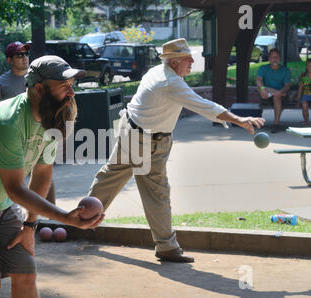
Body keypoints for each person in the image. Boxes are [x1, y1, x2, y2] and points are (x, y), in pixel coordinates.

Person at [0, 55, 105, 298]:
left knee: (25, 273)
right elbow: (15, 188)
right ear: (39, 89)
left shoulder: (51, 119)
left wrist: (30, 224)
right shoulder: (6, 122)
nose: (71, 92)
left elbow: (43, 171)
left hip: (0, 205)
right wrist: (65, 218)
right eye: (64, 85)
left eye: (72, 85)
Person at [88, 38, 265, 263]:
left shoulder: (158, 72)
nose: (192, 61)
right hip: (144, 139)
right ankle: (166, 246)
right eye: (187, 58)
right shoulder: (170, 82)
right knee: (155, 191)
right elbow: (204, 106)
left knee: (111, 177)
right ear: (173, 62)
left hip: (135, 131)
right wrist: (239, 119)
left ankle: (81, 219)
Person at [0, 41, 56, 205]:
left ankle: (52, 216)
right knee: (15, 183)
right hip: (14, 139)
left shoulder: (36, 80)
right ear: (9, 60)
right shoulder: (0, 83)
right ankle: (19, 218)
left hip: (39, 133)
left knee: (44, 174)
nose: (24, 58)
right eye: (19, 55)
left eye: (26, 54)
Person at [256, 48, 291, 133]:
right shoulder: (263, 68)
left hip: (281, 96)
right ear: (269, 58)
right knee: (261, 88)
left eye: (276, 57)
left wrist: (280, 92)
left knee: (277, 96)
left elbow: (287, 86)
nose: (274, 59)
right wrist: (263, 88)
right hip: (266, 95)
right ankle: (274, 92)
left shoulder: (285, 70)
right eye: (272, 57)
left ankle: (276, 124)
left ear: (279, 58)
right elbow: (258, 80)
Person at [296, 58, 311, 126]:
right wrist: (298, 101)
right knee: (304, 105)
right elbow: (300, 89)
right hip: (306, 94)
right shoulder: (303, 76)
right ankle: (306, 122)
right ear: (306, 67)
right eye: (309, 65)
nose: (310, 67)